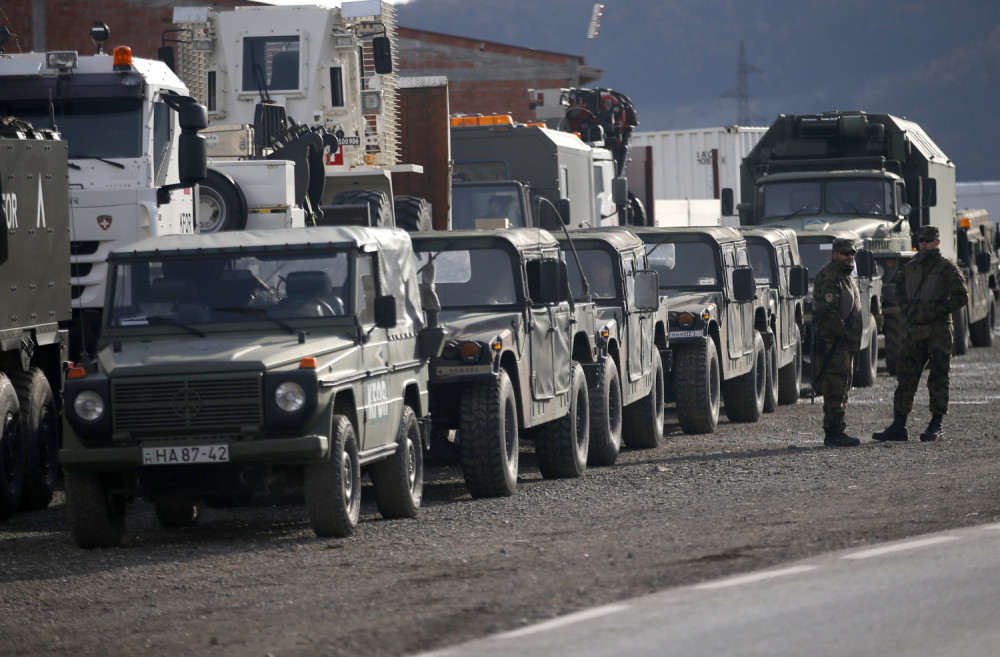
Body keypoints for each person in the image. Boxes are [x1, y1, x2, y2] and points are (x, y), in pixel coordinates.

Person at [873, 225, 969, 442]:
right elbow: (898, 289)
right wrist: (908, 312)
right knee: (906, 376)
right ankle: (899, 424)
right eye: (921, 240)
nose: (924, 243)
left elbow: (961, 297)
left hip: (939, 330)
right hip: (915, 329)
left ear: (937, 242)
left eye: (928, 240)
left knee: (938, 376)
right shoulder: (910, 267)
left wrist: (935, 311)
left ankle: (936, 424)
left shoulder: (947, 268)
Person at [812, 237, 863, 447]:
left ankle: (838, 428)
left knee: (843, 386)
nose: (849, 257)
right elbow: (828, 313)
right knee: (834, 388)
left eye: (852, 254)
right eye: (845, 253)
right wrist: (844, 335)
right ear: (835, 254)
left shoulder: (846, 277)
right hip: (834, 345)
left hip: (845, 345)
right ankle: (833, 432)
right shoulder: (829, 276)